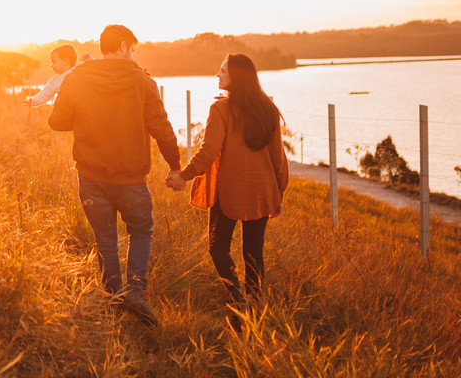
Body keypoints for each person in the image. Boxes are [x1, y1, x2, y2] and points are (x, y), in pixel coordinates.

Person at [49, 24, 184, 327]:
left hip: (91, 176)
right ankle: (135, 291)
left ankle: (113, 299)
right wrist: (175, 167)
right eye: (132, 49)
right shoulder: (143, 82)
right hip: (130, 179)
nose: (133, 55)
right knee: (141, 231)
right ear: (123, 46)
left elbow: (57, 122)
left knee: (106, 239)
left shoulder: (76, 79)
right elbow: (162, 129)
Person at [171, 53, 289, 329]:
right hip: (262, 192)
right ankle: (254, 307)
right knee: (253, 252)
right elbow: (279, 159)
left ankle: (239, 298)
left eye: (223, 70)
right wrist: (278, 194)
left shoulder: (221, 109)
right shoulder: (268, 109)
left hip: (229, 192)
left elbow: (208, 151)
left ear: (236, 76)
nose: (218, 74)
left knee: (218, 247)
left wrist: (183, 176)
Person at [23, 45, 93, 109]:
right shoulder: (55, 80)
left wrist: (90, 60)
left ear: (65, 61)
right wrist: (33, 101)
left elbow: (95, 69)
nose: (51, 65)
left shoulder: (80, 69)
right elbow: (45, 93)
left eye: (53, 62)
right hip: (68, 110)